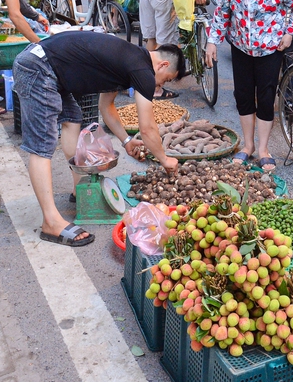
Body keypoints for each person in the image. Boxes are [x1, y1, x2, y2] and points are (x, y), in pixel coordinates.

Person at [13, 33, 184, 246]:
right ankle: (51, 222)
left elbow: (106, 107)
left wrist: (126, 141)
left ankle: (79, 191)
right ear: (163, 65)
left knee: (72, 119)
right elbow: (148, 127)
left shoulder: (129, 60)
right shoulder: (142, 70)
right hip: (39, 68)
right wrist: (165, 159)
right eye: (165, 80)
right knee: (42, 145)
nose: (160, 86)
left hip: (46, 66)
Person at [204, 0, 293, 172]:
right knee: (243, 96)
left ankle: (263, 149)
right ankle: (248, 145)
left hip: (270, 48)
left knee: (266, 97)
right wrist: (212, 41)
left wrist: (289, 33)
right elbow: (223, 11)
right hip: (240, 45)